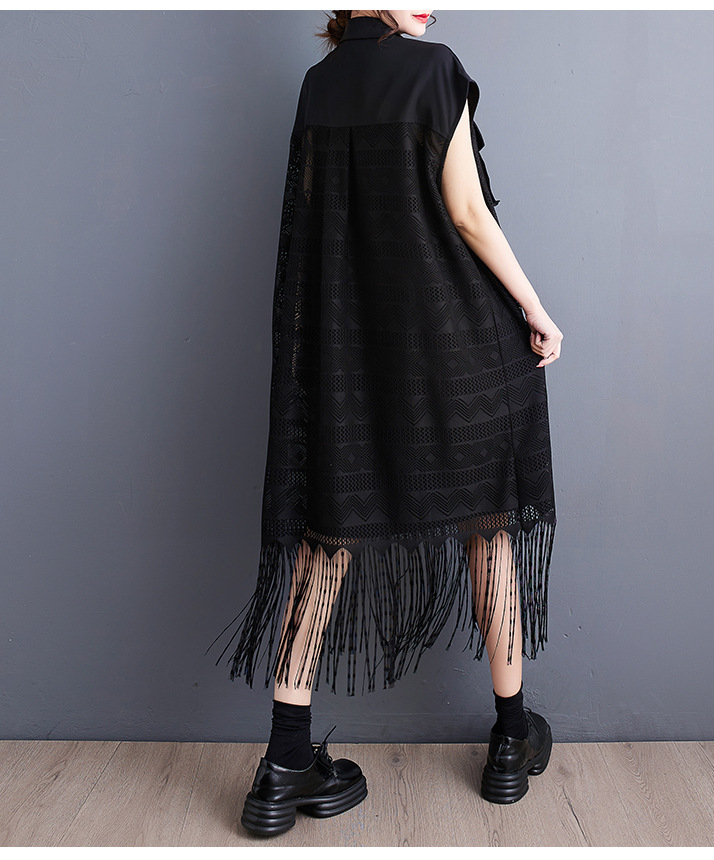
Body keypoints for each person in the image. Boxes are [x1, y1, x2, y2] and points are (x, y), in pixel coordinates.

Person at [210, 10, 563, 837]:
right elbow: (467, 213)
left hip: (353, 363)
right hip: (455, 349)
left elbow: (314, 231)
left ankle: (284, 761)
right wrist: (536, 309)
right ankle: (510, 741)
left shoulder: (317, 86)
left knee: (325, 541)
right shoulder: (434, 70)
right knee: (488, 528)